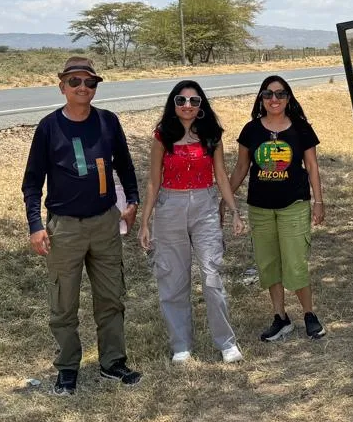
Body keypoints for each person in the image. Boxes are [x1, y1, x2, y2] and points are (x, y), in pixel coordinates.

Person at [22, 56, 142, 396]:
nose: (83, 88)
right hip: (65, 228)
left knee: (111, 298)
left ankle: (113, 363)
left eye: (89, 82)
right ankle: (67, 368)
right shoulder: (48, 127)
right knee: (63, 303)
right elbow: (32, 183)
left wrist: (131, 203)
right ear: (62, 87)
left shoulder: (108, 122)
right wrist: (35, 225)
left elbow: (126, 166)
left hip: (105, 223)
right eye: (74, 82)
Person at [139, 81, 246, 364]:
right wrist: (145, 221)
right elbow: (153, 181)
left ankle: (226, 342)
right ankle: (181, 345)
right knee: (173, 278)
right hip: (169, 206)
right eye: (181, 100)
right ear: (173, 104)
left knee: (212, 275)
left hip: (205, 205)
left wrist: (234, 210)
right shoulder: (162, 136)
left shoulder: (212, 135)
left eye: (194, 101)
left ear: (201, 106)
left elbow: (221, 176)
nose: (187, 105)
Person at [230, 75, 327, 341]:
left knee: (296, 263)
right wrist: (225, 199)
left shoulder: (301, 129)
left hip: (293, 205)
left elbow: (312, 167)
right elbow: (241, 168)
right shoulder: (251, 130)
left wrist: (318, 201)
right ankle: (280, 317)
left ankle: (309, 315)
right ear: (261, 99)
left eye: (280, 94)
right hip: (260, 209)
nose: (274, 99)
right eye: (268, 94)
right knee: (268, 264)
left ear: (288, 98)